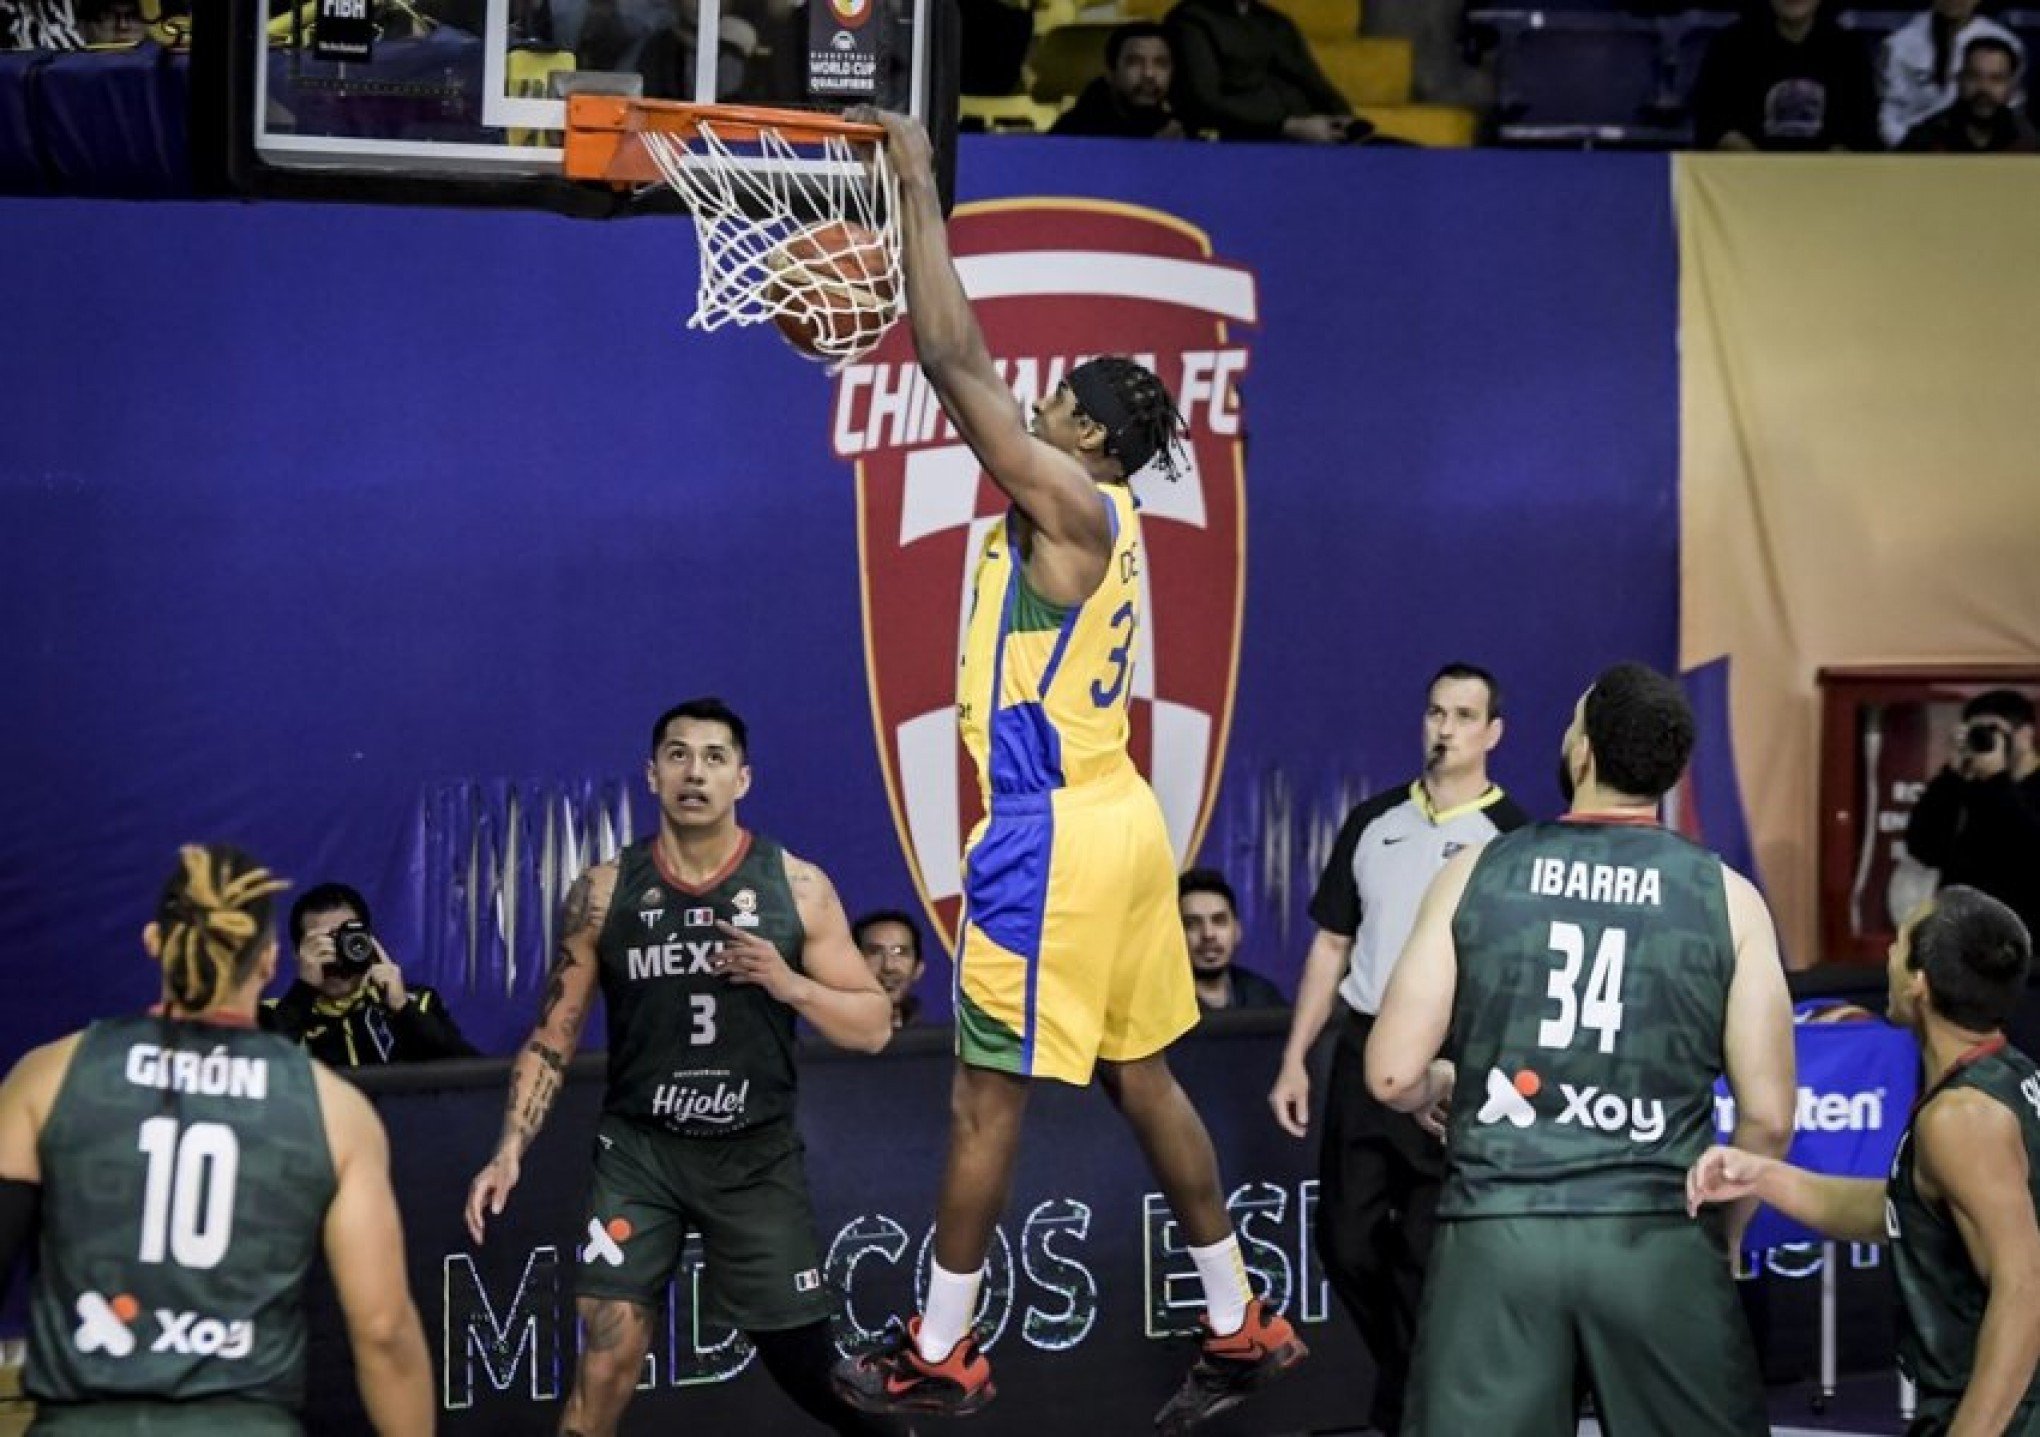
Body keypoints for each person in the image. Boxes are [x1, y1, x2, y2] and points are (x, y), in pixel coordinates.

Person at [833, 110, 1308, 1435]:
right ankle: (1239, 1318)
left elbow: (946, 350)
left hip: (1052, 833)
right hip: (1120, 817)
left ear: (1092, 442)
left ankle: (942, 1347)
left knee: (984, 1090)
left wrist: (917, 184)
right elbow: (980, 368)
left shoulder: (1072, 504)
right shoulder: (1120, 509)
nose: (1033, 409)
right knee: (1144, 1074)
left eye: (1057, 409)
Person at [1366, 662, 1797, 1436]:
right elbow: (1766, 1118)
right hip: (1659, 1237)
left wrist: (1439, 1077)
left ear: (1585, 751)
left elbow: (1391, 1071)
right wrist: (1723, 1238)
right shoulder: (1727, 896)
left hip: (1498, 1236)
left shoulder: (1479, 869)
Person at [463, 697, 896, 1437]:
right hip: (642, 1153)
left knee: (808, 1366)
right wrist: (510, 1144)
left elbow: (875, 1028)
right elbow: (553, 1032)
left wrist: (787, 981)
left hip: (752, 1154)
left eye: (715, 757)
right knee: (608, 1349)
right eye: (678, 754)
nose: (695, 771)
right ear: (653, 774)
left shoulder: (795, 885)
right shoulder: (602, 891)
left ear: (743, 779)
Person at [0, 843, 434, 1436]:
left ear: (155, 942)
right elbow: (384, 1329)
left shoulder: (47, 1078)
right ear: (268, 961)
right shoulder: (333, 1108)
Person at [1266, 661, 1527, 1436]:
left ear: (1493, 732)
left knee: (1425, 1252)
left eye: (1463, 714)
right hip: (1362, 1045)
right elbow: (1330, 945)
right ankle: (1416, 1389)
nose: (1445, 728)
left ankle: (1415, 1412)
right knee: (1343, 1241)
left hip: (1452, 1060)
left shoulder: (1512, 836)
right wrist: (1293, 1057)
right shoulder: (1374, 819)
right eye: (1435, 712)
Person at [1690, 886, 2040, 1435]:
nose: (1886, 957)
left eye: (1899, 944)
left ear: (1919, 983)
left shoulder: (1961, 1119)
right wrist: (1763, 1174)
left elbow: (2026, 1290)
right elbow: (1901, 1213)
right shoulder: (2006, 1075)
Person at [262, 882, 478, 1066]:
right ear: (299, 953)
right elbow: (256, 1077)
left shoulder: (418, 1003)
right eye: (323, 943)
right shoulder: (274, 1015)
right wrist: (302, 994)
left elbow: (472, 1078)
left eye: (347, 940)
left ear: (368, 942)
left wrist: (403, 1010)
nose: (336, 955)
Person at [1906, 688, 2040, 944]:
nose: (1984, 739)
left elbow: (2031, 852)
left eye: (1994, 731)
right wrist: (1951, 775)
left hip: (2030, 943)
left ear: (2026, 734)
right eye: (1976, 732)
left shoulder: (2008, 785)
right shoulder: (1965, 784)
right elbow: (1924, 848)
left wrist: (1997, 780)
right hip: (1964, 941)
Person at [1163, 0, 1366, 142]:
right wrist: (1288, 127)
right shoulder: (1189, 22)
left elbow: (1314, 82)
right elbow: (1205, 103)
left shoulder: (1276, 22)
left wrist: (1343, 116)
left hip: (1312, 135)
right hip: (1243, 143)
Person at [1691, 0, 1879, 151]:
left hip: (1828, 182)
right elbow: (1713, 129)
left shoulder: (1849, 50)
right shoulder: (1729, 47)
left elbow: (1861, 134)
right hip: (1747, 182)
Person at [1878, 0, 2023, 147]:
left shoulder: (2006, 44)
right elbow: (1891, 114)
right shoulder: (1899, 44)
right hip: (1916, 151)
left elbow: (2012, 110)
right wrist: (1910, 153)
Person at [1900, 35, 2040, 149]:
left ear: (2012, 87)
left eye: (1996, 79)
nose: (1984, 88)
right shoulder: (1924, 141)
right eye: (1973, 76)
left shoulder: (2029, 142)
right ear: (1959, 80)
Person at [1051, 22, 1186, 138]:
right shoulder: (1071, 134)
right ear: (1111, 73)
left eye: (1161, 63)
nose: (1149, 74)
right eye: (1135, 62)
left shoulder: (1181, 134)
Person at [1178, 869, 1286, 1013]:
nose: (1208, 934)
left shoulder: (1264, 998)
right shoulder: (1154, 1004)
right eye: (1192, 924)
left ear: (1237, 931)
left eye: (1219, 921)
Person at [853, 909, 929, 1028]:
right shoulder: (825, 1037)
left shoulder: (943, 1040)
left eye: (900, 952)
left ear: (918, 969)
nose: (888, 966)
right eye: (874, 952)